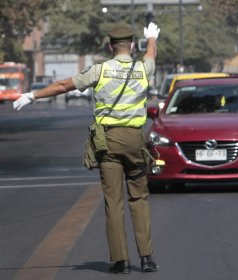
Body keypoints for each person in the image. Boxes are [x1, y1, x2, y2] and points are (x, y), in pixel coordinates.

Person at [13, 22, 160, 274]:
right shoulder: (143, 69)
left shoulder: (99, 70)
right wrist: (152, 38)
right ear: (132, 45)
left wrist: (31, 96)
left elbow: (62, 86)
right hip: (136, 140)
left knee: (113, 201)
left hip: (108, 143)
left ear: (109, 46)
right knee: (140, 198)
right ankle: (146, 258)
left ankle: (121, 261)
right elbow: (151, 55)